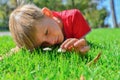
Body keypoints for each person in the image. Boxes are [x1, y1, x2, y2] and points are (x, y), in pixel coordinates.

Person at [9, 4, 91, 54]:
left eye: (47, 32)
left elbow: (83, 43)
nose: (51, 42)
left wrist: (80, 48)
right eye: (43, 44)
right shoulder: (38, 34)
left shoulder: (74, 17)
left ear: (47, 13)